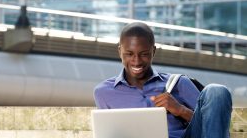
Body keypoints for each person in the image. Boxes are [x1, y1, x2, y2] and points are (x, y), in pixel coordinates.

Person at [93, 22, 232, 138]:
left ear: (153, 51)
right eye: (129, 54)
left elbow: (211, 125)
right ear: (119, 51)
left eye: (144, 54)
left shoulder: (178, 83)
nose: (136, 61)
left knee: (217, 91)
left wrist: (180, 110)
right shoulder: (104, 92)